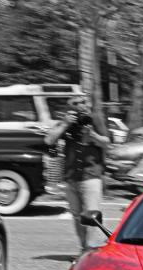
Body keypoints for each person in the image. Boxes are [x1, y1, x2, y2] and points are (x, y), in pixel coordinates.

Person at [44, 96, 110, 253]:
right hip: (71, 176)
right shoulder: (66, 121)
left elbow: (107, 142)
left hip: (91, 174)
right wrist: (66, 124)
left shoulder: (94, 119)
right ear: (69, 108)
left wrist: (92, 135)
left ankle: (91, 249)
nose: (81, 106)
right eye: (76, 103)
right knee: (77, 216)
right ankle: (83, 248)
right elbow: (49, 140)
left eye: (84, 102)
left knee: (92, 215)